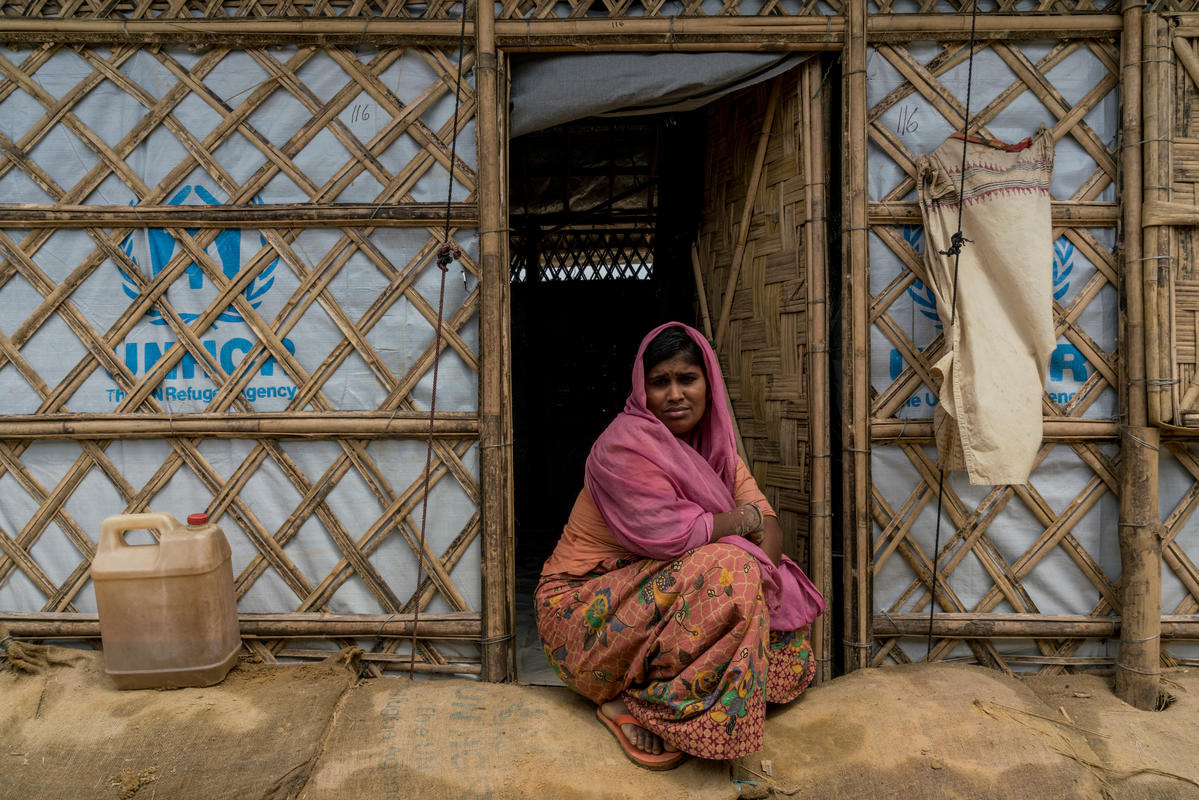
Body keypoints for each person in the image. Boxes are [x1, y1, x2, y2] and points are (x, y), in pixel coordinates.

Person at [535, 322, 825, 769]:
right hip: (581, 616)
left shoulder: (718, 451)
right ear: (642, 390)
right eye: (660, 382)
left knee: (780, 631)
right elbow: (676, 536)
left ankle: (662, 691)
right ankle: (638, 706)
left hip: (655, 602)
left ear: (709, 386)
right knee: (732, 567)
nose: (675, 395)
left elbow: (769, 527)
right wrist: (744, 531)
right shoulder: (623, 448)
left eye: (687, 379)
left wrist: (753, 575)